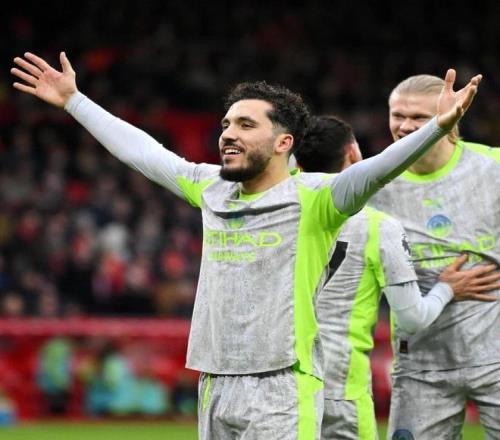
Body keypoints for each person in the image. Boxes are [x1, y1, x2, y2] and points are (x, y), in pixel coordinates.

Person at [11, 51, 480, 440]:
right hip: (214, 382)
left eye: (246, 125)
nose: (229, 133)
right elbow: (144, 152)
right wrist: (74, 101)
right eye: (226, 123)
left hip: (282, 386)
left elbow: (378, 169)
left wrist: (437, 127)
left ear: (283, 142)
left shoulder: (318, 199)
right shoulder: (211, 187)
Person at [295, 115, 500, 439]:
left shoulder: (275, 210)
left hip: (283, 387)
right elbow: (413, 318)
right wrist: (446, 288)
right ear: (353, 153)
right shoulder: (377, 225)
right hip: (341, 391)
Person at [367, 74, 500, 439]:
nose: (405, 126)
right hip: (420, 366)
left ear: (449, 116)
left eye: (418, 117)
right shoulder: (373, 181)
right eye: (398, 115)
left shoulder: (491, 168)